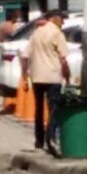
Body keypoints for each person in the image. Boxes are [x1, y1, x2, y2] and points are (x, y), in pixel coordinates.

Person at [20, 9, 70, 156]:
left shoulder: (36, 33)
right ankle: (51, 139)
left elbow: (24, 56)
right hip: (53, 77)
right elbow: (63, 59)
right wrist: (67, 76)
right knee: (54, 109)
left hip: (37, 77)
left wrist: (25, 77)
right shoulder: (57, 33)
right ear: (54, 19)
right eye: (62, 19)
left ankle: (39, 141)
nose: (63, 22)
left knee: (39, 109)